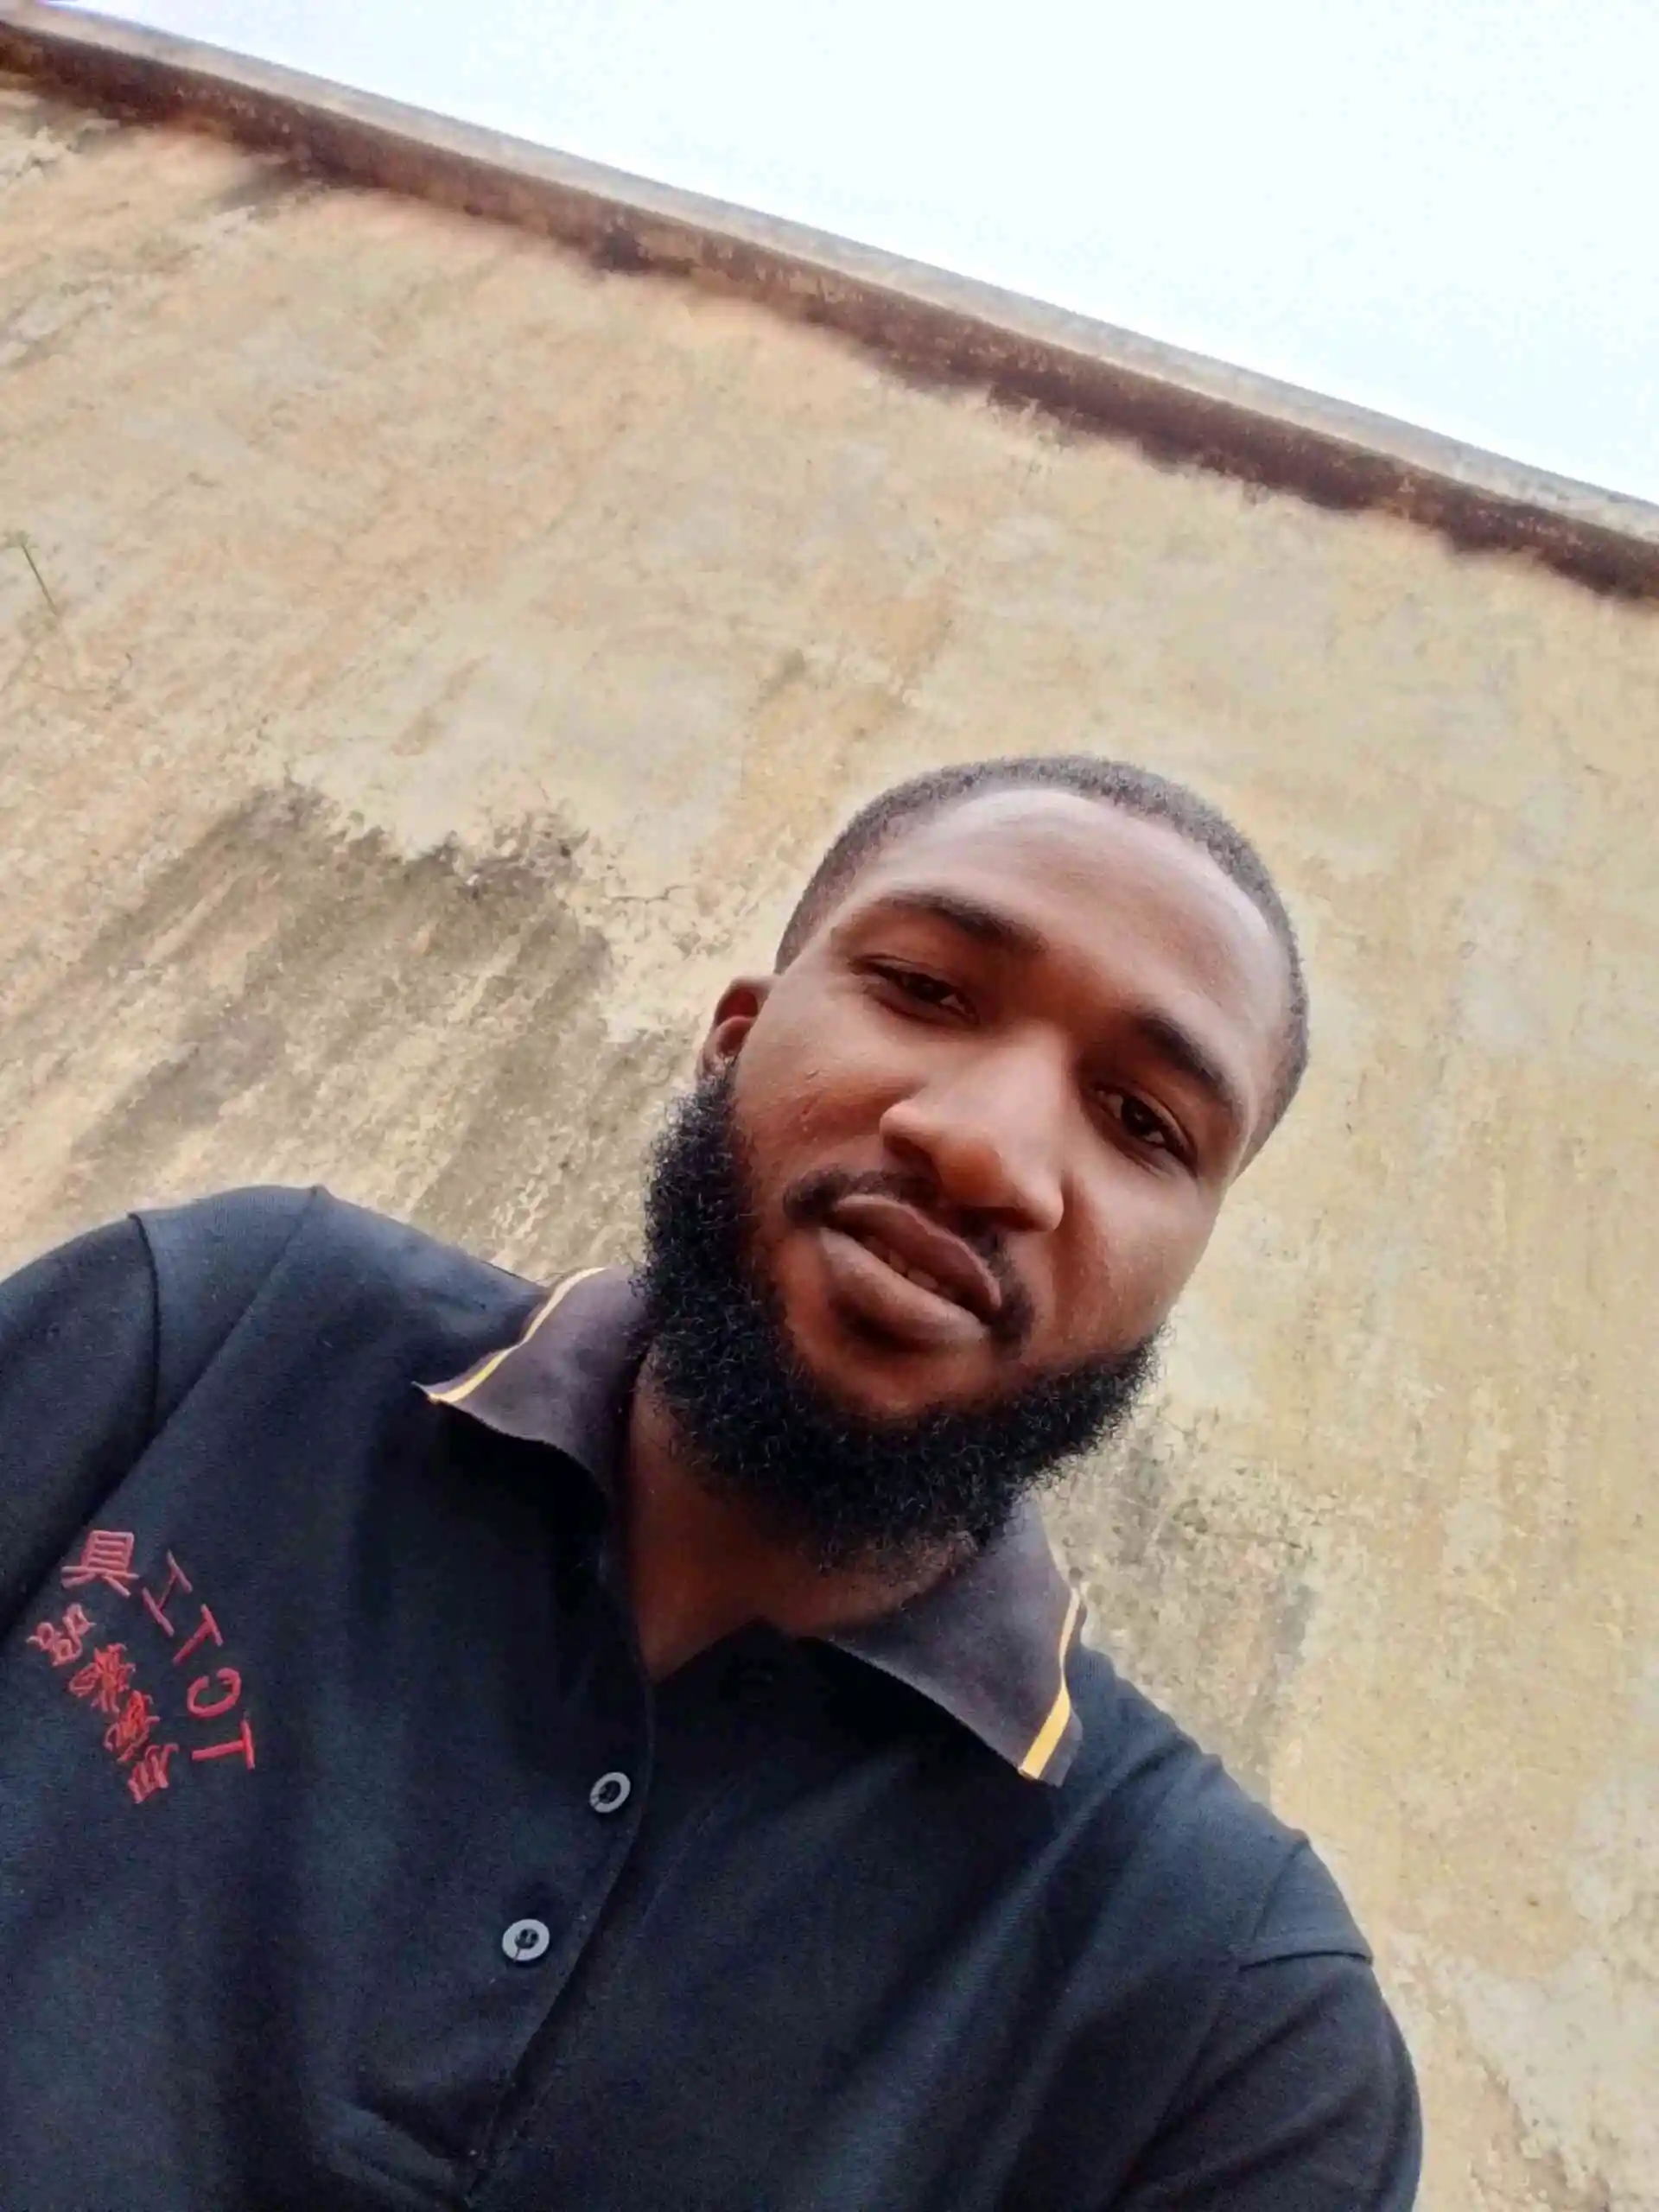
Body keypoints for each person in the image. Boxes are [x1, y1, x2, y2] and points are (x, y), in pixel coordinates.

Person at [0, 755, 1420, 2210]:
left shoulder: (1235, 2028)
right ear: (733, 1040)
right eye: (925, 988)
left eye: (1143, 1122)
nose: (986, 1150)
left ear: (1178, 1270)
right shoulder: (225, 1332)